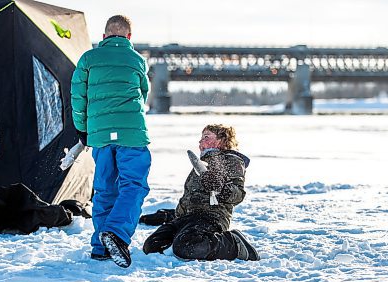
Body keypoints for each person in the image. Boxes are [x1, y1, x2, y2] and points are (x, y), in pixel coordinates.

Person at [71, 15, 151, 268]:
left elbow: (77, 97)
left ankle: (100, 247)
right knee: (133, 186)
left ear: (104, 36)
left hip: (100, 137)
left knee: (105, 189)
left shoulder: (88, 59)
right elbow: (144, 93)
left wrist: (83, 132)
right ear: (129, 37)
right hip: (132, 135)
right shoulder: (137, 60)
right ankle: (116, 233)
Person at [142, 124, 260, 261]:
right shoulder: (202, 162)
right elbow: (192, 198)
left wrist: (221, 187)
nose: (200, 142)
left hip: (210, 218)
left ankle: (233, 243)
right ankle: (180, 241)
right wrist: (169, 215)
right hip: (184, 218)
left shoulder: (231, 160)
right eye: (201, 138)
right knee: (151, 246)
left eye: (206, 137)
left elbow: (238, 194)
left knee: (187, 247)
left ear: (221, 140)